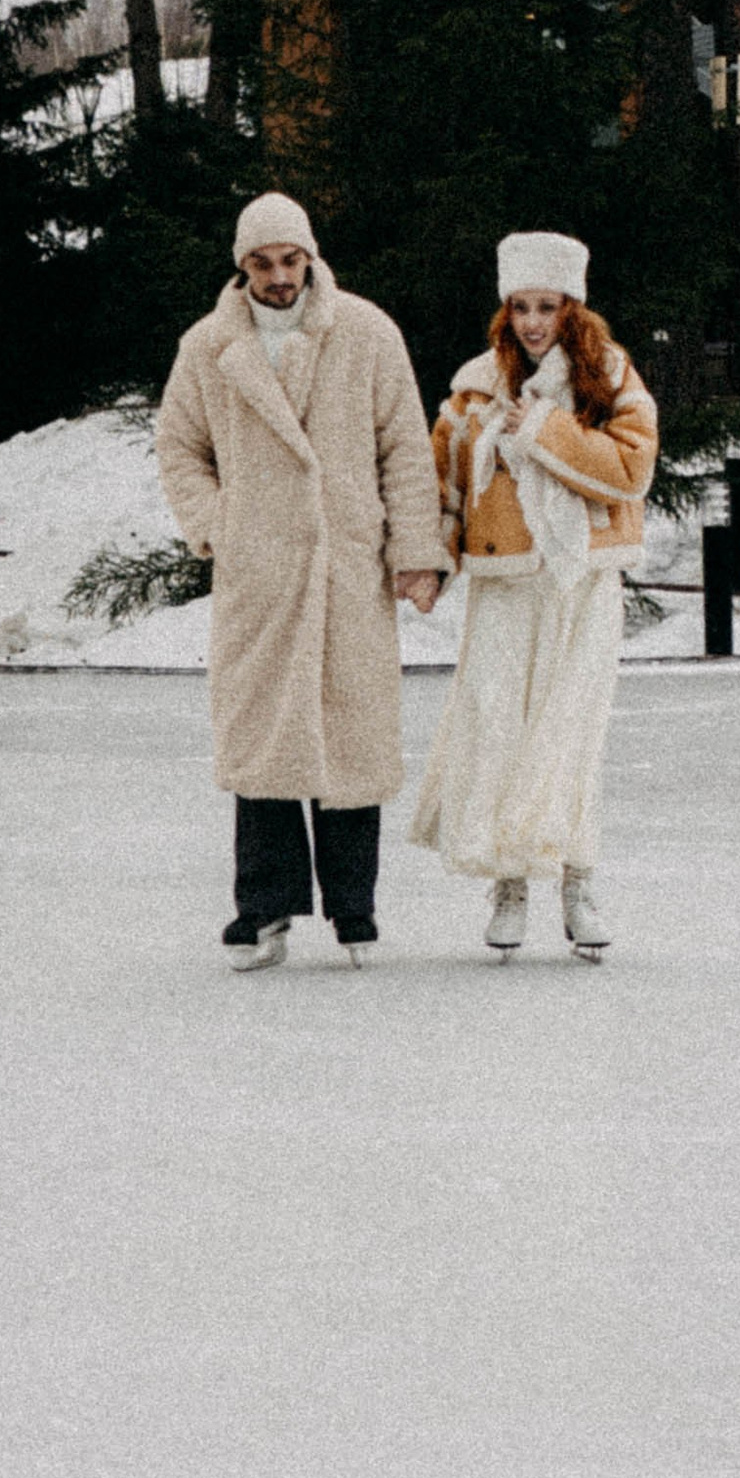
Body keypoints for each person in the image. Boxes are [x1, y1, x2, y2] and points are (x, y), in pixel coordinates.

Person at [153, 192, 449, 969]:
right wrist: (221, 523)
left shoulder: (366, 332)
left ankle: (354, 909)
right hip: (261, 572)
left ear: (311, 257)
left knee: (350, 735)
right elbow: (179, 447)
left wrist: (413, 549)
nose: (280, 277)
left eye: (291, 261)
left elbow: (406, 451)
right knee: (264, 738)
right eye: (263, 263)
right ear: (241, 266)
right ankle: (263, 908)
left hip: (346, 563)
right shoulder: (208, 347)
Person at [411, 229, 657, 958]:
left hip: (581, 579)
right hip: (505, 585)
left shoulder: (610, 377)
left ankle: (578, 882)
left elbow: (632, 470)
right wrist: (429, 562)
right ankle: (509, 884)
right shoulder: (475, 386)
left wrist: (545, 430)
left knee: (572, 732)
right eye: (520, 305)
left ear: (572, 307)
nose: (532, 321)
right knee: (498, 729)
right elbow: (445, 485)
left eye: (546, 305)